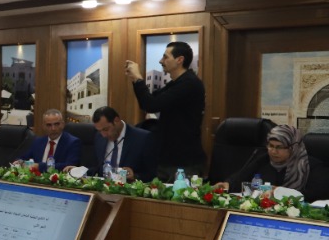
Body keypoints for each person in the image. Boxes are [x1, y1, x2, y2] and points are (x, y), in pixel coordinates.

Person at [125, 41, 206, 180]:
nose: (161, 61)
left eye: (165, 57)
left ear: (179, 60)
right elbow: (147, 102)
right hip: (167, 157)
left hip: (184, 161)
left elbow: (151, 105)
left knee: (180, 194)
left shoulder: (189, 84)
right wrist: (135, 79)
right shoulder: (175, 83)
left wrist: (138, 78)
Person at [216, 124, 329, 201]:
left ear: (293, 148)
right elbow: (241, 177)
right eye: (271, 146)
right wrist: (227, 185)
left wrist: (280, 192)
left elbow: (317, 195)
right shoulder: (263, 159)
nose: (273, 151)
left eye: (279, 147)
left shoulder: (313, 167)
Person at [92, 106, 157, 182]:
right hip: (102, 186)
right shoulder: (99, 138)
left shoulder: (143, 138)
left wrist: (135, 176)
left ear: (116, 120)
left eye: (105, 129)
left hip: (128, 187)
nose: (103, 135)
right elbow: (96, 169)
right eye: (99, 131)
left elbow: (152, 175)